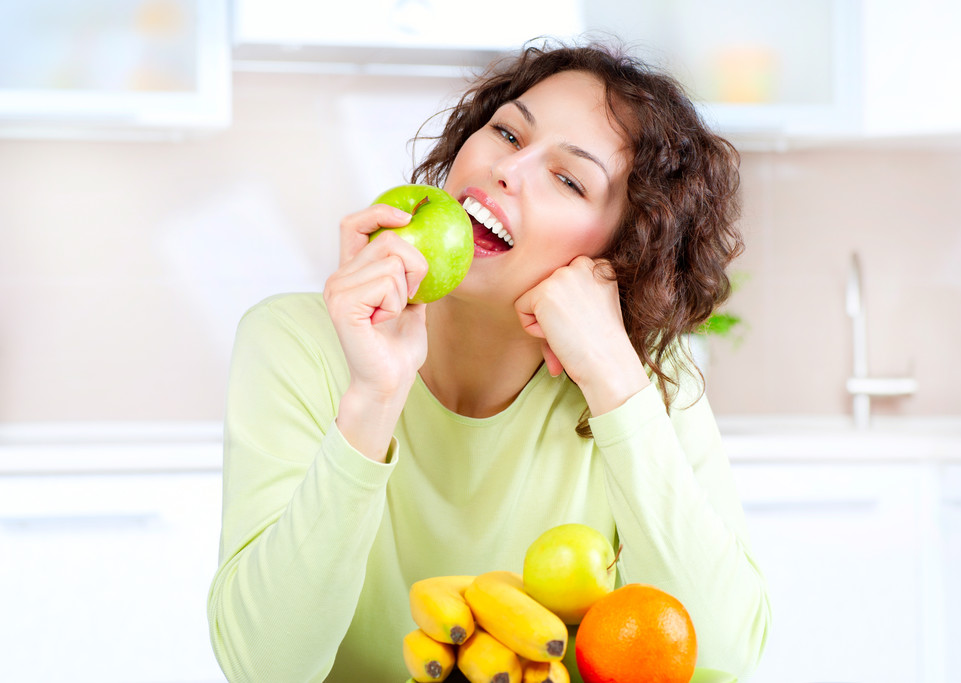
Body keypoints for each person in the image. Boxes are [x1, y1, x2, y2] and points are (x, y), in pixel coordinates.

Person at [207, 40, 771, 682]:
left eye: (568, 178)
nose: (510, 168)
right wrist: (373, 399)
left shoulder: (646, 379)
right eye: (507, 131)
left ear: (622, 255)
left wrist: (617, 382)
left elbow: (722, 659)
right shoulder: (295, 342)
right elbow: (263, 667)